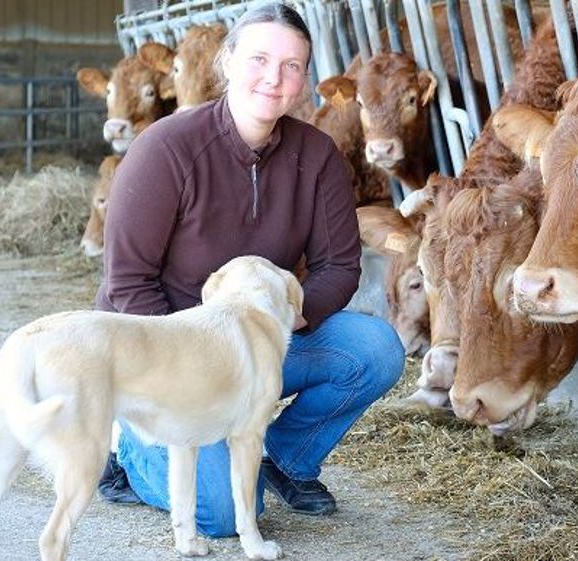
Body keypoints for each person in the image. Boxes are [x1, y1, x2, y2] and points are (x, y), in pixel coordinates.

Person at [94, 2, 405, 538]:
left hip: (256, 340)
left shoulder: (319, 156)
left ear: (305, 78)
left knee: (375, 349)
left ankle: (283, 458)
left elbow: (339, 268)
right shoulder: (164, 150)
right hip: (165, 354)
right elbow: (126, 283)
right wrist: (189, 364)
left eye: (291, 65)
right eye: (259, 58)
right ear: (228, 61)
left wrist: (278, 325)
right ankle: (127, 452)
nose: (274, 77)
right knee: (218, 515)